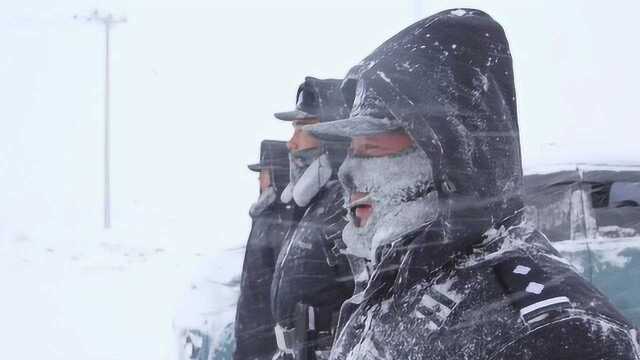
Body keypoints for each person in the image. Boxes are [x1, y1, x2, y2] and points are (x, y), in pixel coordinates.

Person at [306, 9, 640, 360]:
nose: (345, 172)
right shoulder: (398, 275)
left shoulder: (555, 330)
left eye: (369, 148)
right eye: (350, 150)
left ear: (443, 151)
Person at [270, 77, 355, 360]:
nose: (291, 144)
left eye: (301, 129)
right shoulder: (315, 206)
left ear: (330, 134)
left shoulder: (346, 208)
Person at [234, 140, 297, 360]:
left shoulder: (279, 221)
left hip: (265, 341)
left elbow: (277, 287)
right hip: (254, 337)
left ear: (278, 173)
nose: (259, 178)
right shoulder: (264, 217)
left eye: (264, 172)